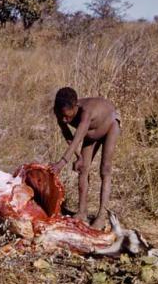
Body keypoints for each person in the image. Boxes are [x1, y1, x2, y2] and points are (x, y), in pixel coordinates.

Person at [49, 87, 121, 230]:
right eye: (62, 116)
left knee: (105, 170)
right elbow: (68, 135)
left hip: (110, 125)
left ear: (75, 106)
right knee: (83, 170)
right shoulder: (59, 111)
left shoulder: (86, 112)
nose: (64, 119)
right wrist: (78, 157)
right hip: (91, 134)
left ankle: (101, 216)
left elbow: (77, 138)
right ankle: (82, 212)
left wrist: (61, 163)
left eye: (67, 116)